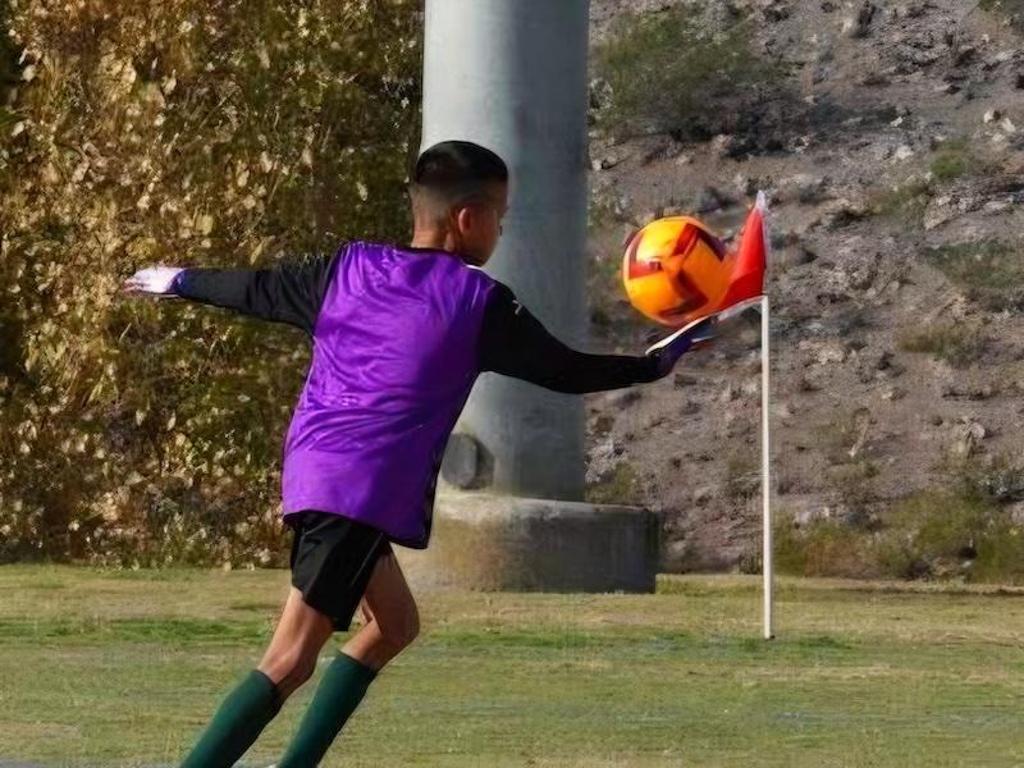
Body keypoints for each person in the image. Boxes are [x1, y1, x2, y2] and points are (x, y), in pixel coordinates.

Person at [122, 140, 712, 767]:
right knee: (289, 659)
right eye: (500, 215)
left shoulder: (348, 268)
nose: (502, 229)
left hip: (318, 474)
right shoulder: (477, 302)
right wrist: (652, 365)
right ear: (468, 219)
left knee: (395, 626)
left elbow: (257, 288)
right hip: (360, 490)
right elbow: (566, 370)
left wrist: (179, 280)